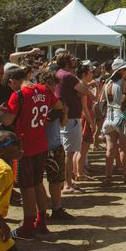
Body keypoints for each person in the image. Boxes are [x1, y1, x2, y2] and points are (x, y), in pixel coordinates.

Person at [0, 66, 64, 239]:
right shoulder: (44, 90)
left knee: (26, 187)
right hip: (41, 143)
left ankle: (28, 224)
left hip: (24, 146)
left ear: (13, 81)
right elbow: (58, 105)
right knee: (38, 183)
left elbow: (8, 120)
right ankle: (41, 221)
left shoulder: (19, 95)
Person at [55, 53, 92, 194]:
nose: (75, 61)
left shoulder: (60, 74)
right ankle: (67, 184)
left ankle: (66, 181)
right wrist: (79, 92)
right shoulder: (67, 76)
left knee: (67, 153)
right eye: (71, 59)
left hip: (67, 119)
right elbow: (85, 90)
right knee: (68, 153)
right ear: (66, 61)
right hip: (70, 119)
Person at [102, 58, 126, 186]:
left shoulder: (107, 83)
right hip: (120, 116)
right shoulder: (123, 84)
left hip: (109, 117)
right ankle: (125, 176)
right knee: (123, 149)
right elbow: (124, 102)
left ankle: (108, 177)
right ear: (121, 71)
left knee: (110, 149)